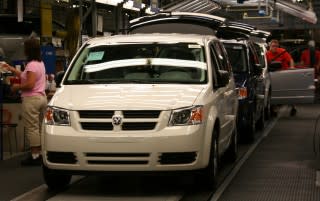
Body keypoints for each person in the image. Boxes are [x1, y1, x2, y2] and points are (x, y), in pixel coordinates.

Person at [2, 38, 47, 166]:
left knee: (32, 128)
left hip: (32, 99)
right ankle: (40, 153)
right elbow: (25, 76)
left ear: (28, 50)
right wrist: (11, 68)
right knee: (39, 127)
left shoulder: (31, 64)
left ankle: (34, 156)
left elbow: (30, 84)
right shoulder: (40, 63)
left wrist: (16, 87)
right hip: (42, 98)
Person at [266, 39, 297, 116]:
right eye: (273, 46)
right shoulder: (267, 54)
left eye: (276, 46)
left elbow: (290, 60)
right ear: (270, 46)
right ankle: (274, 110)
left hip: (284, 74)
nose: (275, 48)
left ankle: (293, 107)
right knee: (274, 92)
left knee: (288, 92)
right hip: (273, 75)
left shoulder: (282, 51)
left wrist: (292, 67)